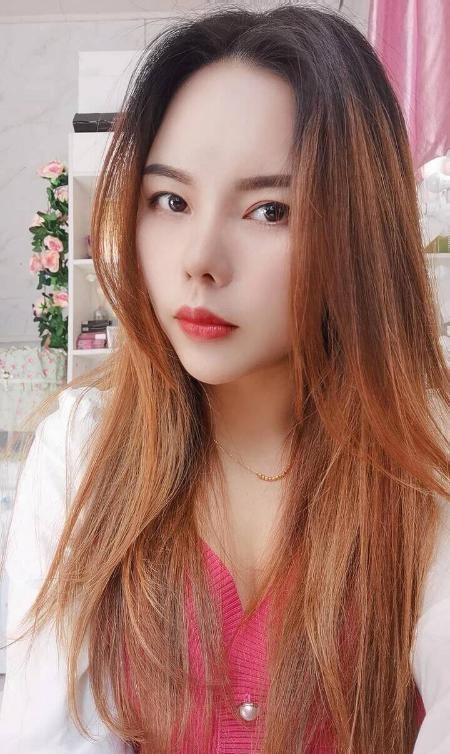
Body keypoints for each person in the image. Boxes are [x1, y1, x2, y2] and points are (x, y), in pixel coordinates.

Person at [0, 4, 449, 753]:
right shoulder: (81, 452)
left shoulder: (423, 461)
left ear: (357, 230)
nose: (200, 259)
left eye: (269, 210)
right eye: (170, 201)